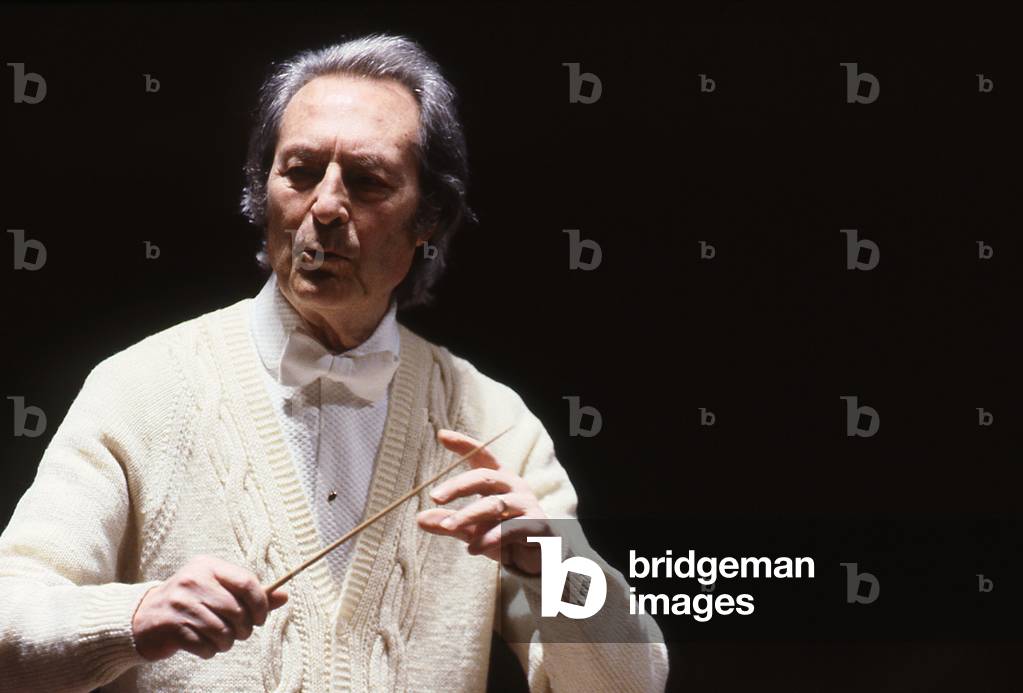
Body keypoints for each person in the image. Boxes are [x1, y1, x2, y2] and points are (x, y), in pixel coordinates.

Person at [0, 33, 669, 692]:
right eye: (298, 172)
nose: (322, 207)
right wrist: (132, 616)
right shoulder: (139, 388)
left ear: (429, 216)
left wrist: (560, 564)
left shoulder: (496, 426)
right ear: (263, 191)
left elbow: (630, 684)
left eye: (368, 181)